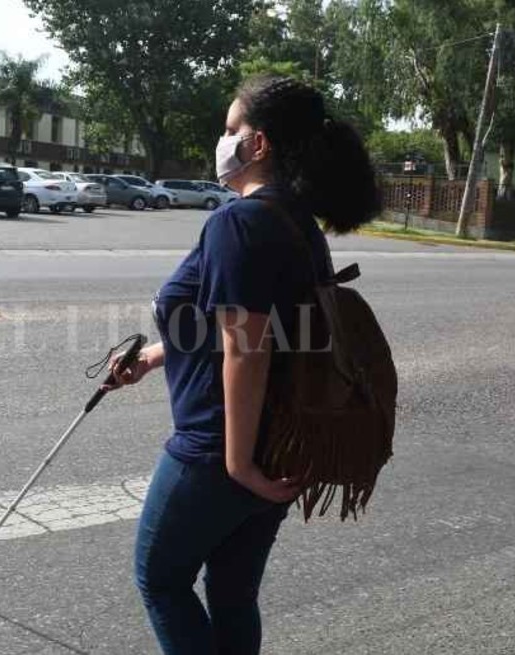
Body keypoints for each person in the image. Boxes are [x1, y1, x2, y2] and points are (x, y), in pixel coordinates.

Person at [104, 75, 381, 654]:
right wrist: (153, 356)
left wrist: (238, 463)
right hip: (281, 443)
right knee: (232, 593)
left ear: (259, 144)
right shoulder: (297, 224)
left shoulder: (238, 223)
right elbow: (256, 326)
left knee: (161, 581)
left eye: (231, 128)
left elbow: (246, 347)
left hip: (221, 448)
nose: (222, 139)